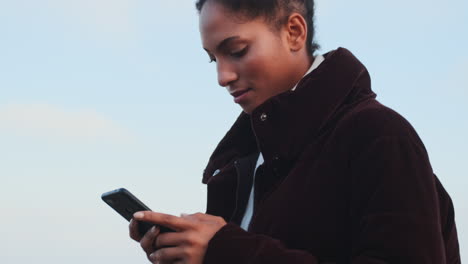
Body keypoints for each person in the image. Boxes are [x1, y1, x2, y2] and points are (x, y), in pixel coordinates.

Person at [129, 0, 461, 263]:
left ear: (294, 32)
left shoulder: (380, 136)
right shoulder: (244, 159)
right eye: (212, 58)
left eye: (237, 50)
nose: (222, 76)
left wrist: (227, 251)